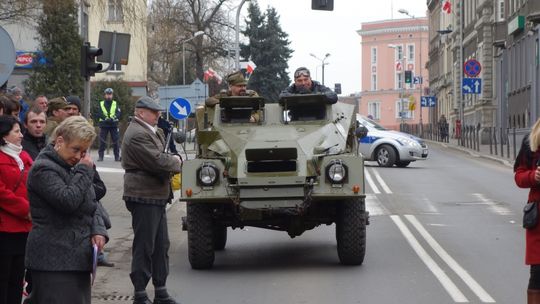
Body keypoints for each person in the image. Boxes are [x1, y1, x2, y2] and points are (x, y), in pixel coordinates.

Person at [25, 116, 108, 304]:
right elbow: (68, 201)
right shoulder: (43, 169)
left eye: (84, 151)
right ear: (60, 141)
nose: (79, 156)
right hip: (53, 261)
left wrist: (98, 230)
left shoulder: (73, 166)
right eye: (76, 149)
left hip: (78, 260)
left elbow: (92, 202)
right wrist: (85, 171)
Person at [121, 96, 182, 304]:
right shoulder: (137, 133)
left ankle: (161, 290)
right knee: (145, 246)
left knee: (160, 245)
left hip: (154, 194)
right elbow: (158, 162)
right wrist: (175, 161)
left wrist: (171, 160)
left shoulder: (150, 131)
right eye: (153, 112)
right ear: (140, 112)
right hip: (143, 194)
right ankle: (140, 292)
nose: (158, 115)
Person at [0, 115, 33, 304]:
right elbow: (2, 192)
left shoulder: (24, 156)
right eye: (17, 131)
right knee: (3, 279)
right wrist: (25, 208)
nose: (21, 135)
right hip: (5, 228)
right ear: (4, 136)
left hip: (24, 228)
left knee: (17, 279)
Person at [514, 119, 540, 304]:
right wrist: (534, 176)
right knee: (537, 273)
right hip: (538, 219)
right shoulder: (531, 140)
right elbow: (519, 175)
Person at [96, 88, 121, 162]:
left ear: (112, 95)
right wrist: (106, 118)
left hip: (113, 125)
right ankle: (101, 157)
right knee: (102, 142)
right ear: (105, 95)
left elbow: (118, 113)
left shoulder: (115, 103)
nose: (109, 96)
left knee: (116, 141)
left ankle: (117, 157)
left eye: (110, 94)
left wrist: (113, 118)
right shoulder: (101, 103)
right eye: (107, 94)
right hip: (104, 125)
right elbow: (99, 113)